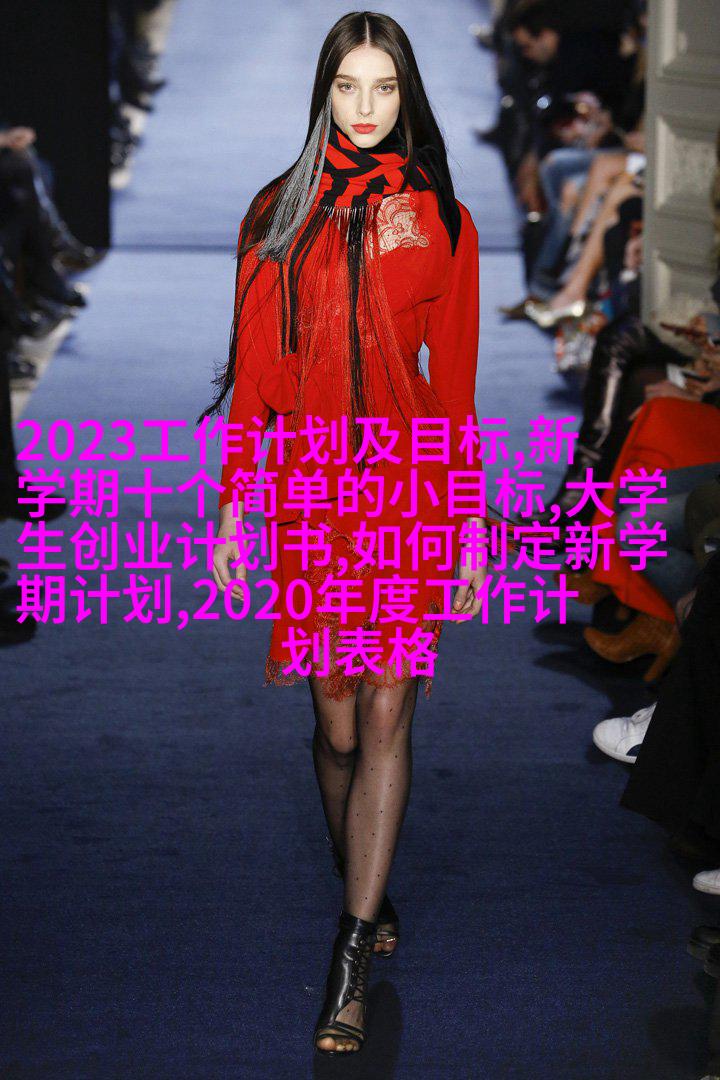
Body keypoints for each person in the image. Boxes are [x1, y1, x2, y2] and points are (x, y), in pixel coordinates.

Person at [197, 11, 486, 1057]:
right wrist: (235, 502)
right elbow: (254, 375)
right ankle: (361, 876)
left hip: (409, 489)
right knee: (337, 728)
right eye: (349, 87)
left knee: (388, 711)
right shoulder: (275, 212)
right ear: (323, 91)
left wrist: (469, 523)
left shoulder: (442, 217)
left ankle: (352, 950)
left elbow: (455, 386)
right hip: (312, 493)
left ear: (409, 96)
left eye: (386, 88)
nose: (366, 108)